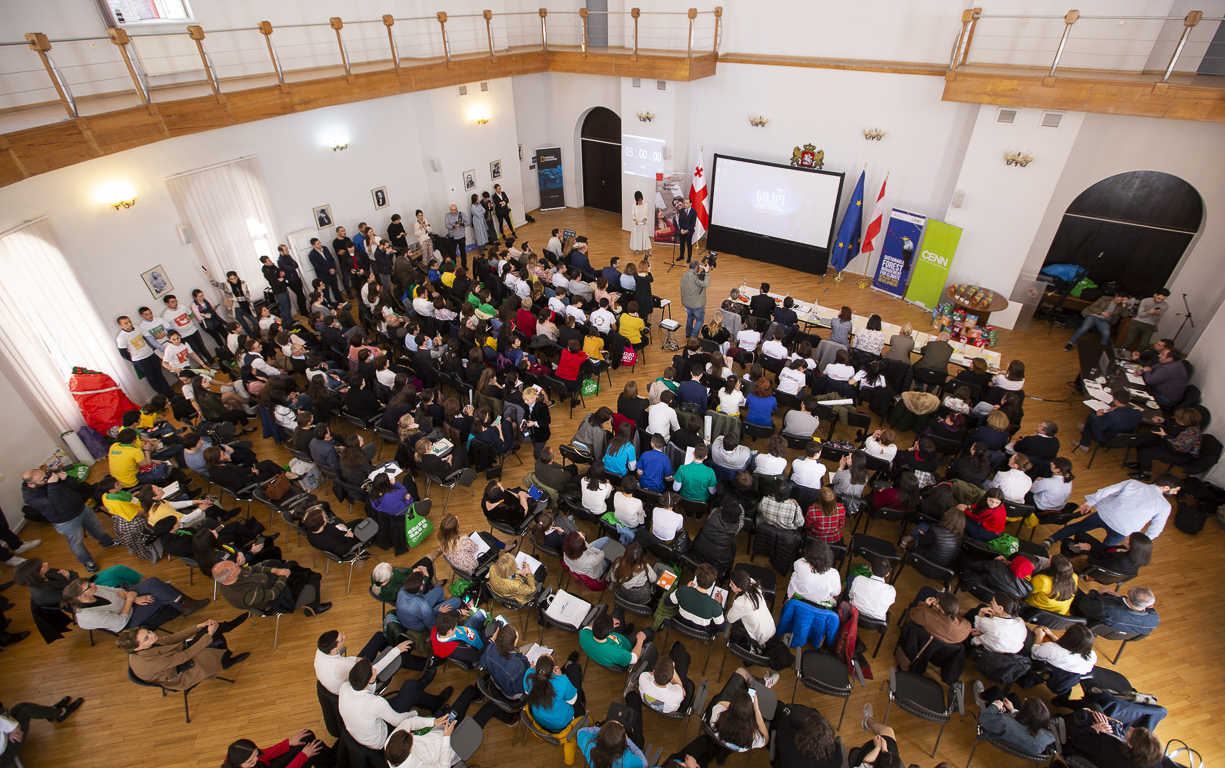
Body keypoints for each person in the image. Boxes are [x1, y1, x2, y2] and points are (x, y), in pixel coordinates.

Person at [1044, 473, 1179, 549]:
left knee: (1078, 526)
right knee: (1106, 548)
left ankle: (1050, 540)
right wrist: (1139, 542)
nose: (1176, 493)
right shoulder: (1165, 506)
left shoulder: (1133, 483)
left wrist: (1091, 502)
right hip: (1123, 530)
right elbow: (1156, 529)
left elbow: (1107, 490)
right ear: (1166, 488)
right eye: (1175, 490)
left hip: (1105, 515)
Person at [21, 468, 117, 573]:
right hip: (66, 521)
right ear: (31, 485)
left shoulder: (50, 478)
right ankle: (86, 561)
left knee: (96, 527)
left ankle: (107, 542)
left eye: (45, 476)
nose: (46, 480)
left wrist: (66, 478)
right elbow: (53, 503)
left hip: (81, 508)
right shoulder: (30, 497)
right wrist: (53, 484)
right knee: (76, 543)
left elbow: (76, 485)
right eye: (42, 480)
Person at [118, 616, 250, 689]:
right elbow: (186, 656)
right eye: (146, 638)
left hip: (174, 661)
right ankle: (226, 656)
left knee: (209, 633)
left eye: (149, 632)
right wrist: (209, 635)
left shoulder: (142, 647)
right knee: (213, 639)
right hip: (180, 674)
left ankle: (226, 650)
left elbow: (170, 639)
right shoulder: (152, 663)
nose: (152, 635)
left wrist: (197, 627)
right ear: (137, 648)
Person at [61, 576, 208, 631]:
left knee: (152, 583)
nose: (94, 584)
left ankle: (183, 604)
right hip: (127, 619)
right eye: (89, 586)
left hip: (127, 600)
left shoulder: (94, 590)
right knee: (157, 595)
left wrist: (132, 598)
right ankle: (183, 604)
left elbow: (115, 590)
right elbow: (121, 621)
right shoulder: (91, 616)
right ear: (82, 597)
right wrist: (130, 600)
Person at [212, 559, 331, 617]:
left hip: (270, 581)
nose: (238, 565)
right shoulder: (244, 595)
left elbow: (253, 569)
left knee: (292, 564)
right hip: (277, 598)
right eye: (235, 566)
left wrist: (275, 570)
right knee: (313, 579)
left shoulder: (231, 576)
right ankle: (313, 608)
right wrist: (282, 576)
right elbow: (273, 594)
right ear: (229, 577)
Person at [972, 684, 1055, 756]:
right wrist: (1013, 710)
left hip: (998, 730)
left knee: (996, 690)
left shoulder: (1005, 721)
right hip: (1015, 740)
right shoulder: (1050, 738)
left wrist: (995, 706)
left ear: (1025, 714)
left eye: (1024, 704)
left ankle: (980, 697)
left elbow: (984, 718)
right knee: (1013, 696)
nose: (1024, 700)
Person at [0, 697, 85, 766]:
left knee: (20, 706)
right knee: (27, 711)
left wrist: (8, 724)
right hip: (6, 752)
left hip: (5, 736)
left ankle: (53, 711)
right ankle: (61, 712)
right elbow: (16, 727)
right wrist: (10, 727)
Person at [1126, 407, 1202, 480]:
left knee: (1145, 453)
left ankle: (1145, 474)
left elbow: (1176, 446)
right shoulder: (1180, 421)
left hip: (1178, 453)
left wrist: (1164, 435)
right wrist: (1163, 421)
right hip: (1167, 442)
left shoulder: (1191, 434)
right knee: (1142, 441)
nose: (1175, 418)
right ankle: (1142, 463)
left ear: (1184, 421)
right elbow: (1171, 423)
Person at [1065, 721, 1164, 768]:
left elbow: (1076, 738)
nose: (1131, 728)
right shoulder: (1155, 763)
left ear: (1131, 746)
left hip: (1079, 747)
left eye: (1132, 732)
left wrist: (1094, 728)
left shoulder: (1107, 746)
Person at [772, 704, 842, 768]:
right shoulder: (837, 756)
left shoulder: (792, 746)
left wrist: (800, 724)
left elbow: (783, 724)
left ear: (807, 736)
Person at [1073, 390, 1143, 453]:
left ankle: (1084, 444)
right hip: (1124, 439)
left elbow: (1098, 428)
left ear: (1117, 401)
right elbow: (1124, 419)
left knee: (1093, 416)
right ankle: (1085, 430)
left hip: (1108, 439)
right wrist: (1116, 410)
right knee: (1094, 418)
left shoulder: (1112, 416)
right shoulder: (1138, 413)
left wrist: (1100, 416)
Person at [1073, 586, 1160, 636]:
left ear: (1128, 592)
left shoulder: (1106, 607)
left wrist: (1096, 592)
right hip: (1115, 633)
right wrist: (1121, 598)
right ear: (1150, 605)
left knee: (1074, 590)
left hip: (1091, 621)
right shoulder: (1154, 620)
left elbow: (1083, 605)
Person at [579, 611, 650, 670]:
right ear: (609, 633)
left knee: (619, 611)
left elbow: (588, 628)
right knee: (648, 632)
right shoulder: (616, 652)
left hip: (603, 649)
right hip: (623, 646)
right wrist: (640, 640)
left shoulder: (583, 633)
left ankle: (625, 630)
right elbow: (634, 659)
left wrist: (606, 625)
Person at [667, 563, 726, 633]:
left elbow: (667, 602)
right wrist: (720, 604)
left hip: (681, 625)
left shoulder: (683, 590)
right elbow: (722, 628)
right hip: (701, 633)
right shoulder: (715, 606)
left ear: (696, 578)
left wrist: (687, 589)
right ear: (713, 583)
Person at [899, 507, 964, 568]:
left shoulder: (935, 531)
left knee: (921, 532)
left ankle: (907, 550)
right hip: (943, 569)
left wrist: (922, 535)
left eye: (947, 513)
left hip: (926, 563)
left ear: (948, 518)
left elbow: (922, 544)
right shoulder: (960, 537)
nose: (945, 513)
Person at [1065, 531, 1152, 576]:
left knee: (1067, 542)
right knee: (1080, 535)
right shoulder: (1133, 554)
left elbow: (1094, 562)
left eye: (1128, 539)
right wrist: (1091, 548)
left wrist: (1085, 550)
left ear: (1132, 545)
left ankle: (1064, 566)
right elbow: (1106, 549)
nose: (1125, 537)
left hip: (1094, 563)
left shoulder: (1118, 562)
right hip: (1103, 555)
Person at [219, 732, 326, 768]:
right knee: (317, 748)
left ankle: (329, 761)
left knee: (307, 736)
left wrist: (287, 743)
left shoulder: (234, 755)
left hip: (270, 765)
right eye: (250, 761)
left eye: (256, 754)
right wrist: (303, 756)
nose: (255, 759)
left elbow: (264, 755)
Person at [1065, 292, 1129, 350]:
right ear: (1116, 295)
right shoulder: (1105, 298)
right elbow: (1092, 307)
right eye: (1118, 299)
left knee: (1107, 334)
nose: (1119, 301)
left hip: (1105, 320)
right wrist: (1102, 312)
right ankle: (1071, 343)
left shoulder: (1121, 306)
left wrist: (1124, 305)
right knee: (1084, 328)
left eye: (1121, 300)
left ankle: (1101, 350)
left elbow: (1125, 315)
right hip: (1094, 316)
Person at [788, 539, 840, 606]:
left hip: (798, 601)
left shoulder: (800, 564)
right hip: (820, 607)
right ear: (829, 556)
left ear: (809, 553)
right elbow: (836, 593)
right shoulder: (834, 574)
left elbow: (800, 561)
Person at [577, 719, 647, 768]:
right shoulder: (626, 760)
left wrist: (605, 731)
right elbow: (645, 764)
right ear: (621, 745)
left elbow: (581, 731)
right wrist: (627, 739)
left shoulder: (589, 744)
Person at [680, 261, 710, 338]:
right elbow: (706, 284)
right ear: (696, 267)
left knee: (690, 317)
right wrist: (707, 272)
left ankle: (688, 333)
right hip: (696, 305)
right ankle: (694, 337)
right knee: (700, 320)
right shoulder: (695, 278)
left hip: (687, 303)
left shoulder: (685, 275)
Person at [443, 204, 468, 268]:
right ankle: (453, 266)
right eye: (452, 210)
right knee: (452, 253)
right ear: (450, 209)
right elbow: (447, 225)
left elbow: (468, 222)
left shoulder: (462, 214)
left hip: (461, 236)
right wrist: (453, 227)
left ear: (457, 209)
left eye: (454, 210)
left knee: (463, 252)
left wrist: (463, 224)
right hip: (452, 237)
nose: (453, 211)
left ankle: (464, 265)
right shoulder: (447, 215)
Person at [676, 197, 698, 264]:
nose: (685, 205)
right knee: (682, 243)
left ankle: (689, 257)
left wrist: (687, 230)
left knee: (688, 244)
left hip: (689, 231)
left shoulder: (694, 212)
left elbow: (693, 223)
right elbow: (680, 221)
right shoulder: (682, 211)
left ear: (690, 204)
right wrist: (681, 229)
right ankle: (681, 255)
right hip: (682, 230)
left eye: (687, 203)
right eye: (685, 203)